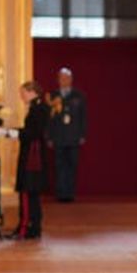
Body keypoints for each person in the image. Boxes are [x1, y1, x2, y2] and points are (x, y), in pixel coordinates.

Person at [5, 81, 49, 239]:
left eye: (23, 93)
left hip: (32, 157)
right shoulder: (39, 107)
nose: (21, 96)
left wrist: (13, 134)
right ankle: (33, 227)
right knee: (32, 194)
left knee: (27, 192)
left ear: (32, 92)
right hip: (34, 155)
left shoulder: (38, 109)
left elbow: (33, 133)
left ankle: (26, 228)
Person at [47, 67, 86, 202]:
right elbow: (49, 118)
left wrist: (82, 134)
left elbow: (83, 117)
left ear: (71, 80)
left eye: (66, 78)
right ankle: (61, 194)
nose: (63, 80)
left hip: (73, 137)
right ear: (58, 80)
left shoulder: (79, 96)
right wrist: (49, 136)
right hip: (58, 136)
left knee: (72, 165)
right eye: (61, 78)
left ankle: (70, 194)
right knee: (59, 166)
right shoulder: (52, 96)